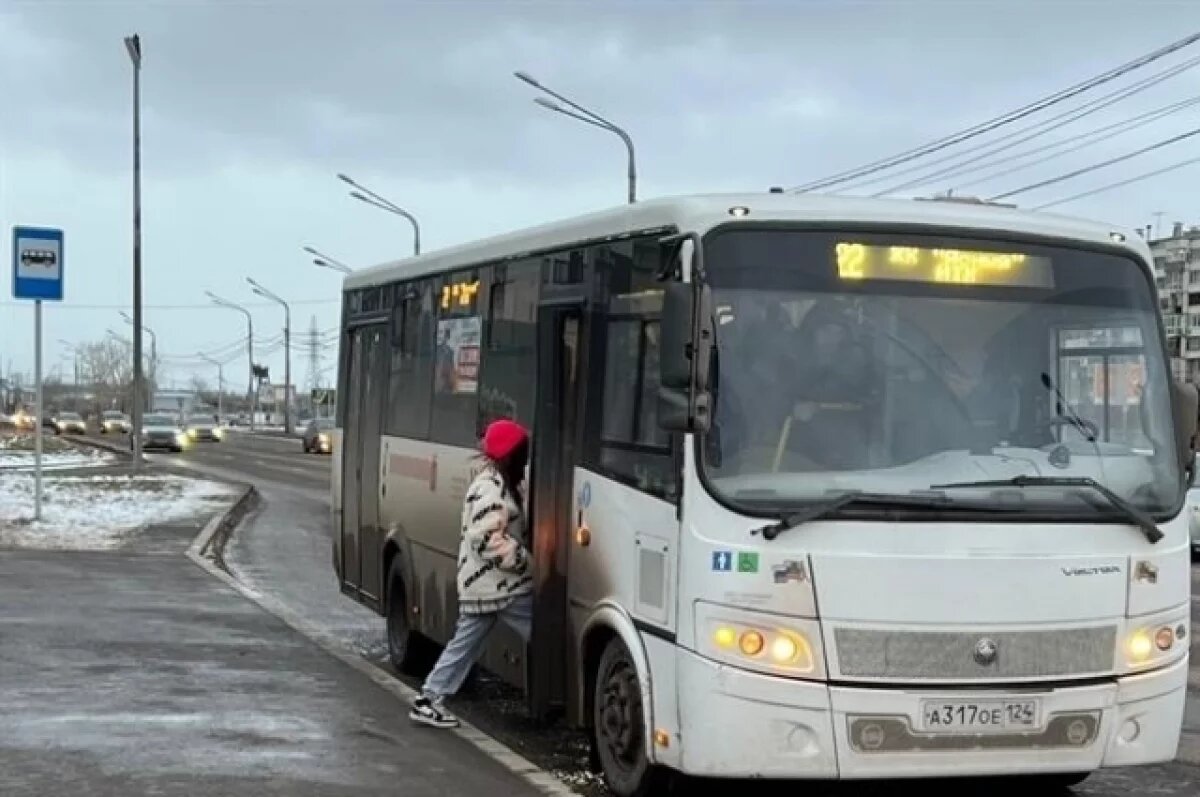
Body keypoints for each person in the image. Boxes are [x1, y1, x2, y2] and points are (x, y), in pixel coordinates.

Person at [409, 418, 534, 729]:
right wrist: (527, 563)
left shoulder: (497, 482)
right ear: (512, 456)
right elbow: (487, 538)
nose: (527, 459)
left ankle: (429, 698)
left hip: (483, 586)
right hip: (500, 587)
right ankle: (553, 693)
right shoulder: (491, 488)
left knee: (464, 645)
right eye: (524, 453)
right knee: (546, 634)